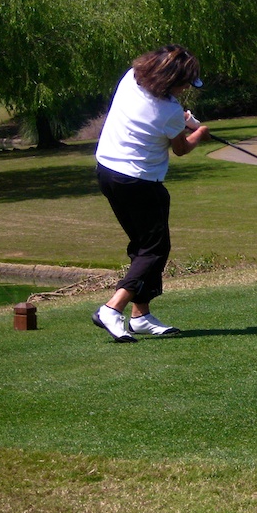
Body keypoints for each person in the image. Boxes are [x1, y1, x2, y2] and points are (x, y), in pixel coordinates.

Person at [92, 44, 210, 342]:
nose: (185, 89)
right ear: (169, 80)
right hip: (140, 182)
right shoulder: (169, 110)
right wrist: (200, 132)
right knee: (155, 249)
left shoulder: (130, 78)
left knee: (142, 245)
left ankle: (141, 316)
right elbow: (181, 149)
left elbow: (166, 116)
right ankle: (112, 308)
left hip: (107, 172)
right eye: (183, 83)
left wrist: (182, 120)